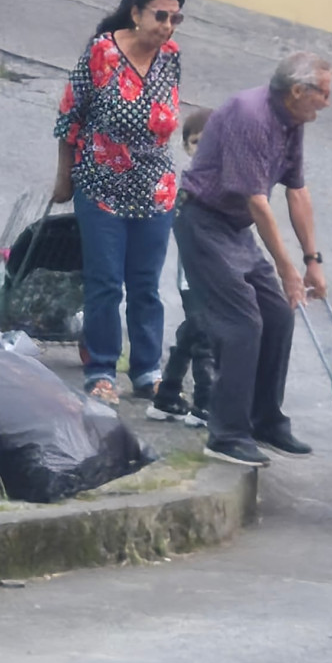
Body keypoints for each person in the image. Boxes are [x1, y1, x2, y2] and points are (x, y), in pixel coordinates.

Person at [173, 52, 331, 467]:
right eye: (324, 94)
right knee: (242, 322)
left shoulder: (290, 119)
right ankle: (226, 434)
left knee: (278, 313)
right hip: (203, 221)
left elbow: (296, 190)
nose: (327, 104)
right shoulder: (251, 116)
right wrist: (286, 268)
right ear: (298, 91)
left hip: (233, 227)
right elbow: (258, 203)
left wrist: (312, 260)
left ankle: (265, 420)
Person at [52, 0, 186, 406]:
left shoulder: (171, 58)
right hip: (101, 184)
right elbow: (70, 116)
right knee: (105, 283)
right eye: (160, 16)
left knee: (145, 285)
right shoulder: (102, 52)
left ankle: (148, 372)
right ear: (136, 13)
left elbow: (166, 122)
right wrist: (64, 177)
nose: (167, 26)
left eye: (175, 18)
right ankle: (102, 371)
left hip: (154, 189)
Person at [147, 108, 215, 427]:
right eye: (195, 142)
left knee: (191, 332)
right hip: (195, 275)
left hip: (214, 274)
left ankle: (167, 396)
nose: (202, 148)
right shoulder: (190, 184)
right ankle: (205, 404)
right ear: (186, 147)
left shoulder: (222, 179)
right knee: (205, 336)